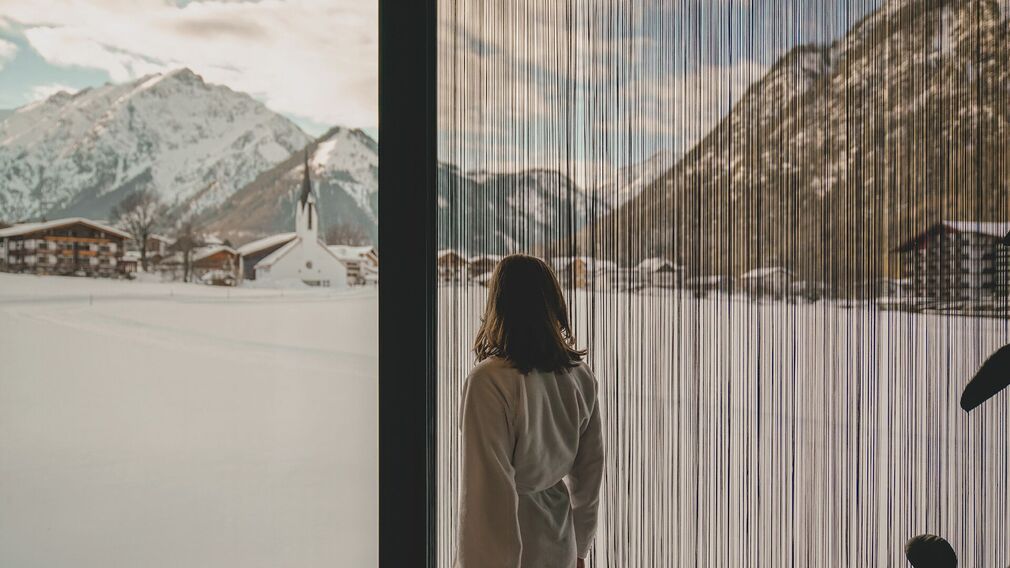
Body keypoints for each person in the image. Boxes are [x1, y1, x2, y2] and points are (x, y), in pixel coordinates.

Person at [454, 254, 605, 568]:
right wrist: (579, 547)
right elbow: (590, 471)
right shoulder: (578, 374)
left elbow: (487, 493)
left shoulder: (488, 381)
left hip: (510, 547)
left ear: (498, 305)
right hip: (559, 539)